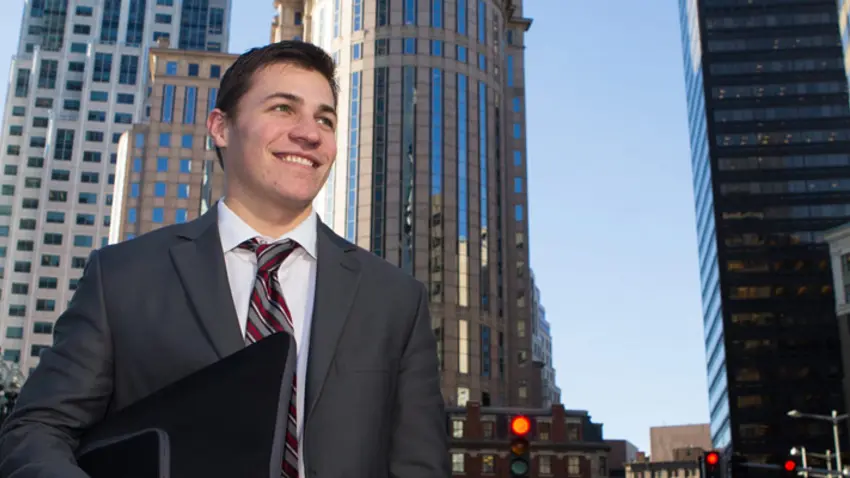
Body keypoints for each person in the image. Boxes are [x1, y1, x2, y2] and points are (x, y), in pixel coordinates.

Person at [0, 40, 450, 478]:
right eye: (283, 108)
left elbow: (419, 464)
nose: (310, 133)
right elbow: (37, 430)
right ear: (220, 126)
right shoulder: (121, 277)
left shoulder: (394, 299)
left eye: (326, 119)